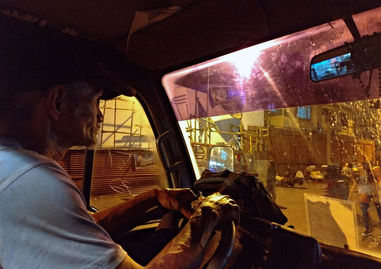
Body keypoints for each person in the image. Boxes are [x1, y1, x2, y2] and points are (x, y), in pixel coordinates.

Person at [0, 14, 239, 269]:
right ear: (58, 102)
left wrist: (154, 196)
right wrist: (207, 214)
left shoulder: (11, 167)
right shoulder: (30, 178)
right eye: (96, 101)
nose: (100, 115)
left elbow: (80, 229)